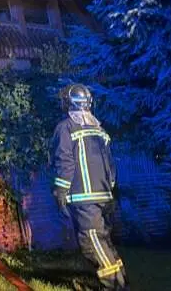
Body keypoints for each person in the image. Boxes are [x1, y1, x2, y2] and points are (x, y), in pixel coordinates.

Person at [52, 84, 129, 290]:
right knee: (102, 241)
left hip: (83, 198)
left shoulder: (65, 128)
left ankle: (114, 286)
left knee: (92, 243)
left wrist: (60, 190)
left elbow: (64, 161)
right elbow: (111, 166)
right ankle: (120, 282)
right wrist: (109, 190)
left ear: (68, 102)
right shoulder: (99, 130)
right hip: (103, 196)